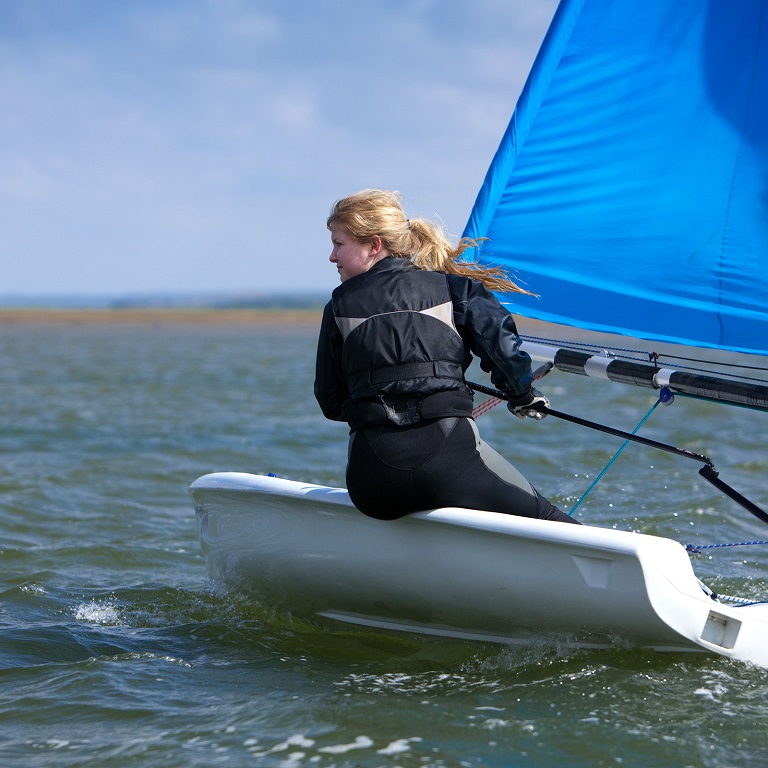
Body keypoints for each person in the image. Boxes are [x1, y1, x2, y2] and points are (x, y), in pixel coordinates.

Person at [314, 189, 579, 525]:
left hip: (374, 485)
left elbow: (331, 401)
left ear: (374, 245)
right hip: (450, 466)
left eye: (338, 244)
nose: (332, 257)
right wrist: (523, 395)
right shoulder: (454, 289)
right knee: (549, 520)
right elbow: (504, 353)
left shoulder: (337, 306)